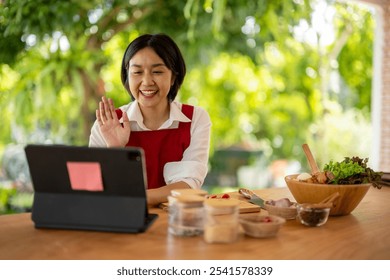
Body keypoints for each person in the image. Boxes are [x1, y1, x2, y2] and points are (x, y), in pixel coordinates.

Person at [89, 33, 211, 206]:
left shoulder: (195, 119)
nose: (146, 82)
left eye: (157, 71)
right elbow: (97, 189)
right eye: (137, 72)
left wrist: (137, 198)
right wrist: (115, 149)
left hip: (177, 220)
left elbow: (189, 184)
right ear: (127, 76)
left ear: (173, 76)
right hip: (124, 221)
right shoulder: (107, 124)